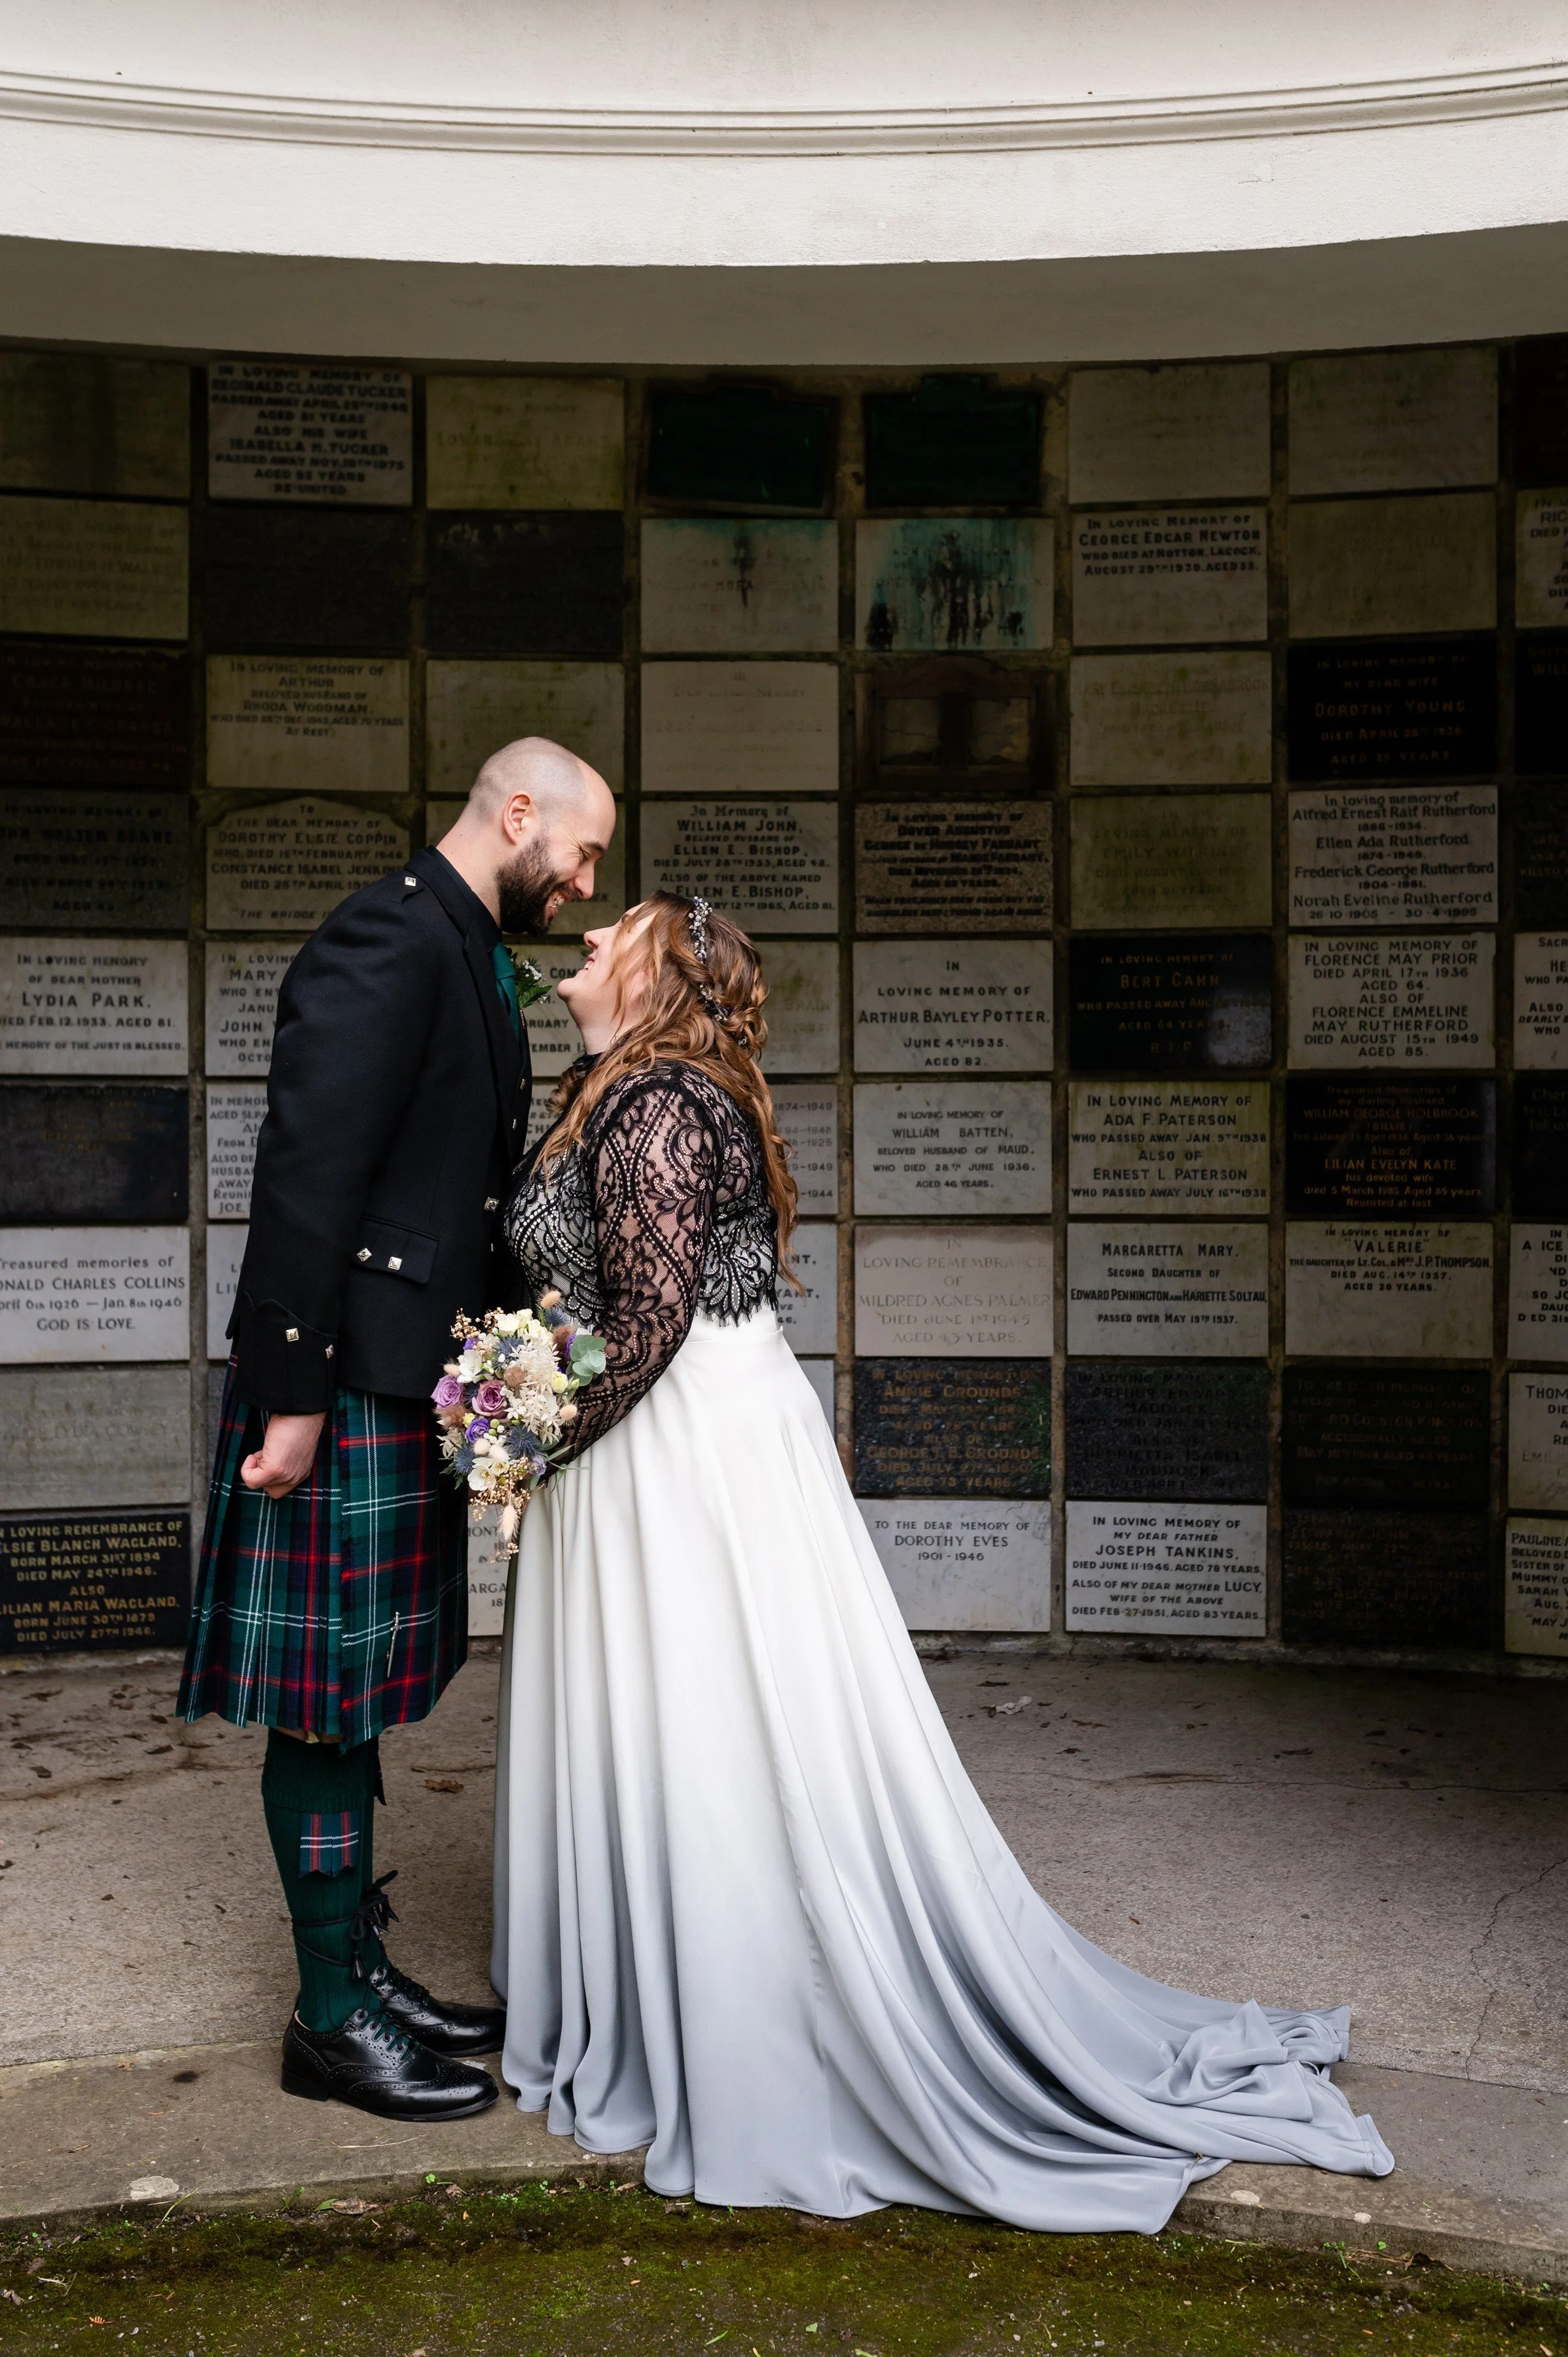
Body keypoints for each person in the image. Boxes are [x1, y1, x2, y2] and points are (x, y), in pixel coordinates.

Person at [491, 892, 1395, 2230]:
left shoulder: (666, 1104)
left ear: (661, 971)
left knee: (719, 1725)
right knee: (695, 1724)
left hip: (683, 1455)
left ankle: (752, 2019)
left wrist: (525, 1431)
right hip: (655, 1448)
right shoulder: (617, 1085)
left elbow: (653, 1320)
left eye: (618, 926)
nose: (590, 936)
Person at [181, 735, 616, 2120]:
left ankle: (353, 1970)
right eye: (586, 850)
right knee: (321, 1707)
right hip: (339, 1390)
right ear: (522, 810)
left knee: (357, 1692)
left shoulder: (464, 946)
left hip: (396, 1380)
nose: (588, 879)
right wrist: (293, 1400)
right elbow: (310, 1171)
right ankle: (325, 2019)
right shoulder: (390, 931)